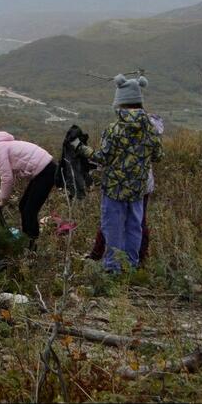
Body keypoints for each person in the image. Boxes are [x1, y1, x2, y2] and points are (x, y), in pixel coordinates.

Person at [71, 75, 163, 275]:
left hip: (114, 189)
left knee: (112, 227)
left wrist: (80, 148)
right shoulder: (151, 129)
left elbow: (102, 158)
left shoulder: (114, 130)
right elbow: (158, 156)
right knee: (134, 227)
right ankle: (131, 265)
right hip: (138, 189)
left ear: (120, 103)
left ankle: (113, 268)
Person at [86, 112, 164, 264]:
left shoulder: (123, 132)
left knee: (111, 222)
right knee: (137, 223)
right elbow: (158, 156)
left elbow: (106, 158)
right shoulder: (150, 135)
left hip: (122, 186)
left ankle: (103, 258)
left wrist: (86, 153)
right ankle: (137, 260)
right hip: (142, 186)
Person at [0, 131, 57, 249]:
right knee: (23, 206)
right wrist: (0, 198)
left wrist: (2, 201)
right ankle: (29, 241)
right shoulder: (1, 145)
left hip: (45, 171)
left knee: (29, 210)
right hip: (45, 169)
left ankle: (31, 246)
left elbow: (7, 178)